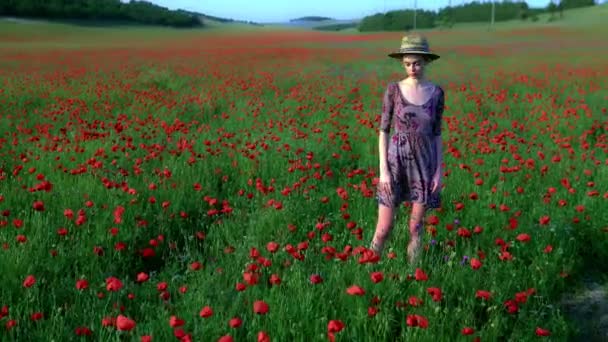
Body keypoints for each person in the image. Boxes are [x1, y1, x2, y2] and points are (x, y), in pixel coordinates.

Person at [369, 34, 445, 264]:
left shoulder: (437, 93)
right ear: (403, 63)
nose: (413, 68)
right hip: (395, 163)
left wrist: (438, 172)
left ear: (426, 61)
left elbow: (437, 134)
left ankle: (414, 277)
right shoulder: (393, 90)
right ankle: (366, 270)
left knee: (416, 227)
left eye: (418, 62)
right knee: (383, 228)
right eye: (408, 63)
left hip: (425, 164)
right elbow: (383, 131)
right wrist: (383, 171)